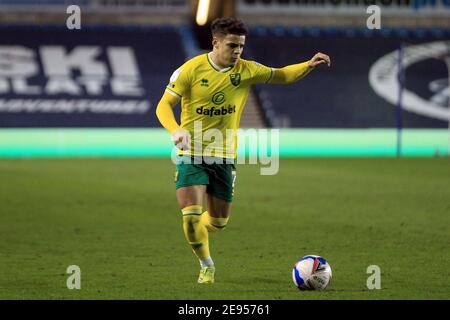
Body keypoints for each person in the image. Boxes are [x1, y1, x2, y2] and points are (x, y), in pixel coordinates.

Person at [155, 17, 330, 284]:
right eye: (232, 45)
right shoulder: (190, 70)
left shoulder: (247, 70)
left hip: (225, 157)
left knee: (217, 223)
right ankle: (206, 265)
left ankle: (199, 231)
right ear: (215, 42)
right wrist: (176, 130)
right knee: (190, 217)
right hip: (192, 153)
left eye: (241, 46)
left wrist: (307, 65)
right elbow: (163, 105)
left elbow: (281, 75)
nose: (238, 51)